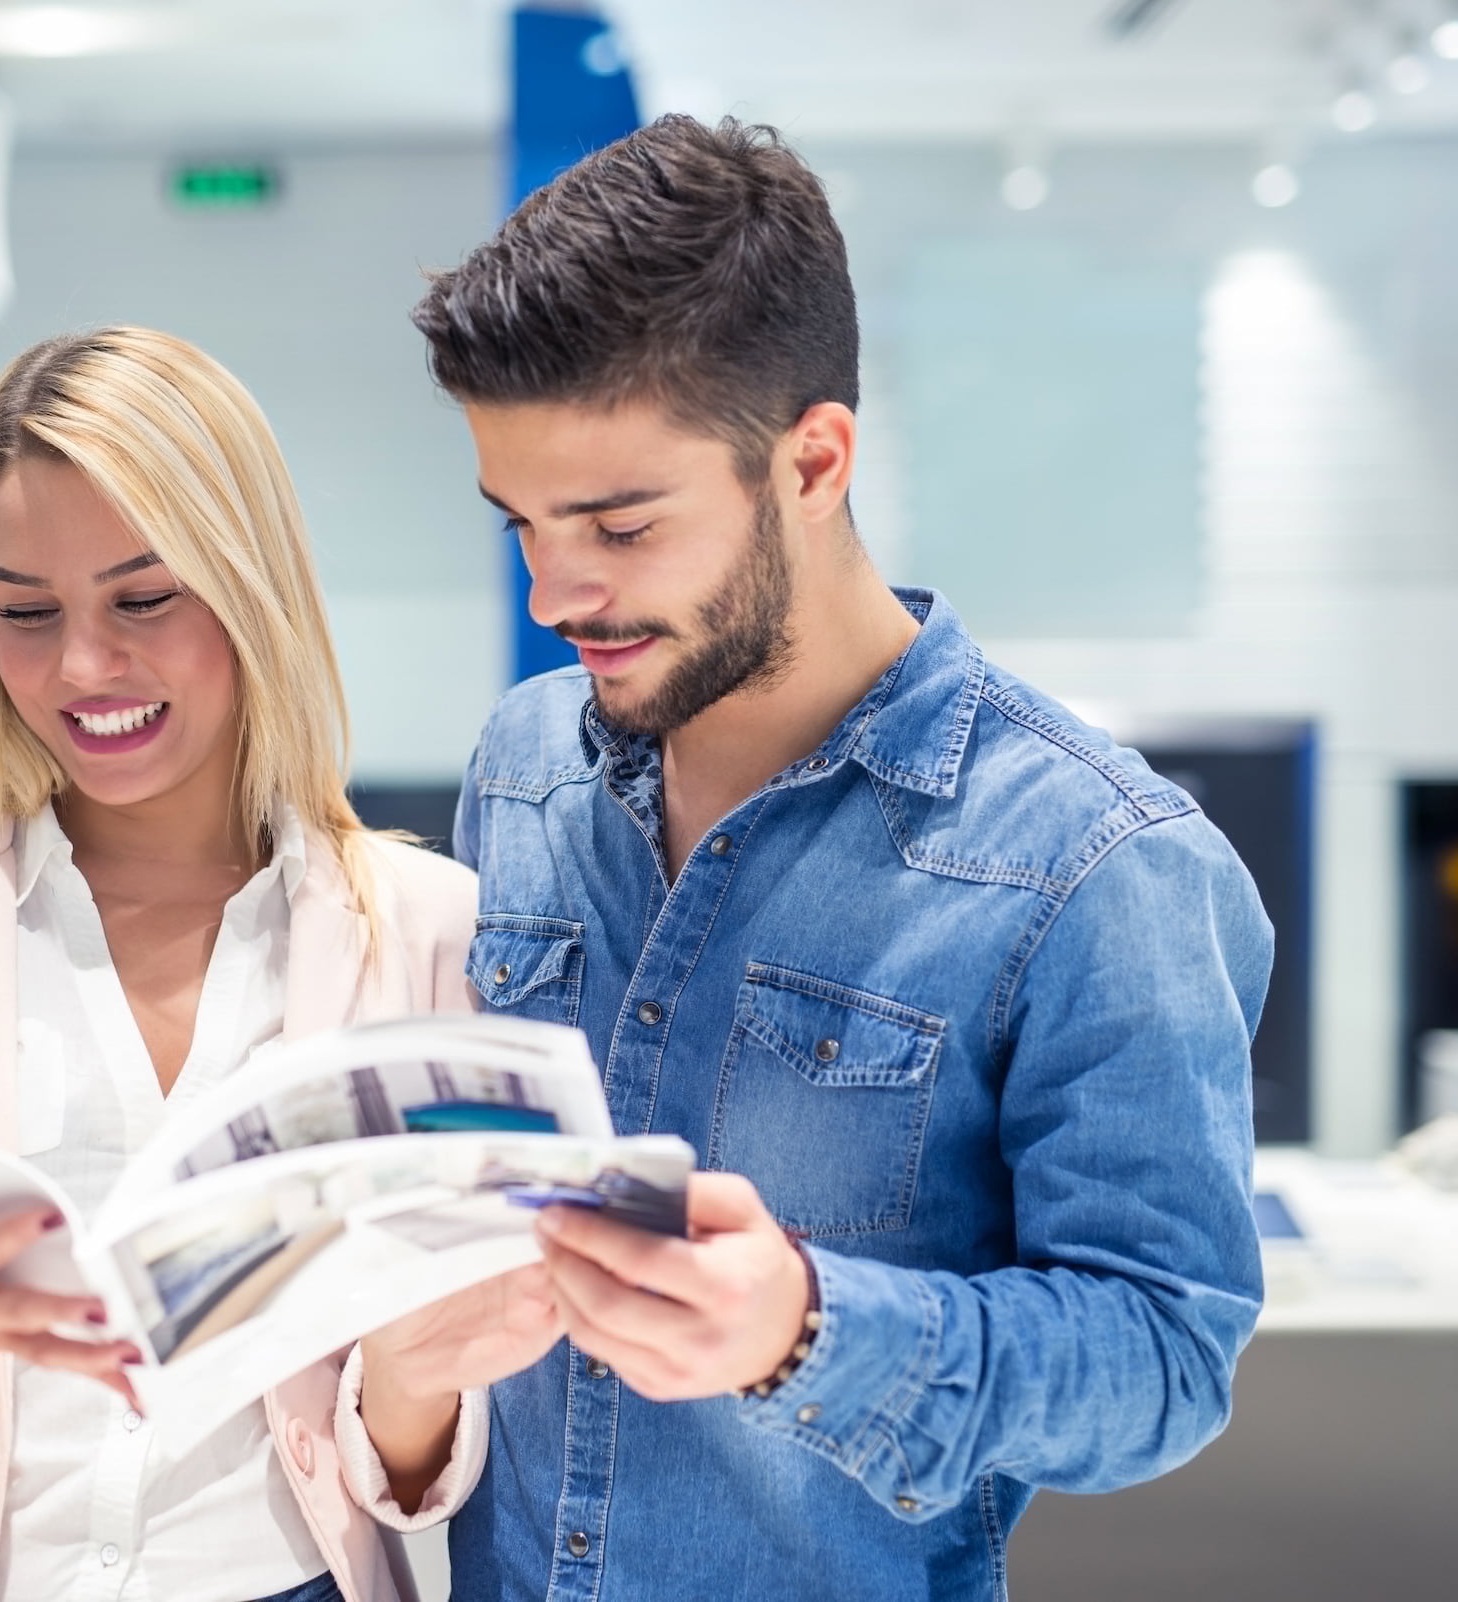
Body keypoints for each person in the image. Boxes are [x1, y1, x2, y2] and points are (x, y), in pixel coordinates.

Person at [354, 117, 1274, 1601]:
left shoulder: (1102, 865)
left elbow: (1163, 1360)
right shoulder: (522, 761)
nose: (554, 592)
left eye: (619, 524)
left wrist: (804, 1328)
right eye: (519, 523)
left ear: (814, 460)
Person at [0, 327, 529, 1602]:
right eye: (28, 612)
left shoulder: (429, 927)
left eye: (143, 600)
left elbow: (414, 1465)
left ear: (253, 589)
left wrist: (416, 1384)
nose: (83, 668)